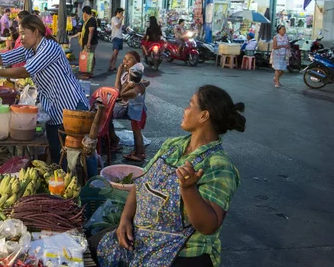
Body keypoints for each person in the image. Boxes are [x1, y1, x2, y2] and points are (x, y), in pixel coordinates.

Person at [93, 85, 244, 267]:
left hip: (182, 253)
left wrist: (189, 189)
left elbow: (208, 226)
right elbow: (142, 183)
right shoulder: (173, 145)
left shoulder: (219, 165)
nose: (185, 110)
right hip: (144, 239)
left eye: (190, 105)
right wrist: (125, 220)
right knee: (91, 246)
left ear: (204, 116)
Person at [0, 15, 88, 164]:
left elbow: (24, 71)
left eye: (23, 33)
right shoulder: (29, 49)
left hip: (71, 107)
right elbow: (2, 58)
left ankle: (92, 183)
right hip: (54, 110)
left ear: (36, 32)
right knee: (59, 155)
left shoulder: (49, 47)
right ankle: (62, 183)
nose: (21, 37)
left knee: (81, 154)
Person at [111, 52, 149, 162]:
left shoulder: (136, 79)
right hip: (134, 109)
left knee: (137, 132)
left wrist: (128, 84)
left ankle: (139, 154)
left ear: (136, 63)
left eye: (130, 59)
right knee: (136, 131)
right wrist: (119, 73)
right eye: (125, 59)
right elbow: (118, 89)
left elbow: (120, 93)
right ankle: (139, 152)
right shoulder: (127, 75)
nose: (126, 61)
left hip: (138, 111)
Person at [79, 5, 98, 73]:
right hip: (89, 42)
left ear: (85, 12)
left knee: (89, 58)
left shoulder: (91, 20)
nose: (83, 15)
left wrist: (89, 42)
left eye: (83, 13)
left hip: (91, 42)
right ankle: (89, 72)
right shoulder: (88, 20)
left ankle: (88, 73)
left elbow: (91, 31)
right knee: (91, 57)